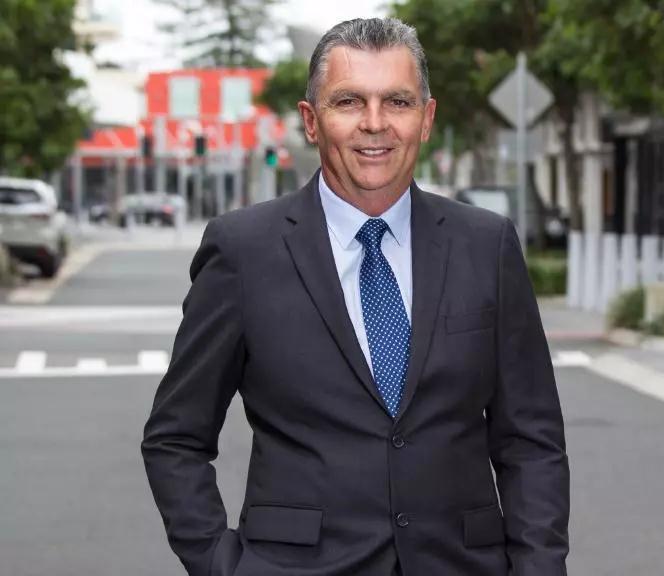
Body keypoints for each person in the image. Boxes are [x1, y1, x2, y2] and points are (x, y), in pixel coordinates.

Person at [141, 17, 569, 576]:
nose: (374, 123)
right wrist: (224, 565)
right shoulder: (243, 251)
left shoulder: (486, 245)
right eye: (349, 102)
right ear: (311, 121)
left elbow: (531, 440)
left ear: (426, 118)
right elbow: (176, 438)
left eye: (397, 101)